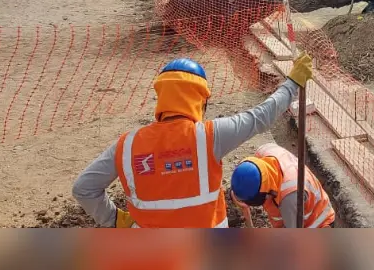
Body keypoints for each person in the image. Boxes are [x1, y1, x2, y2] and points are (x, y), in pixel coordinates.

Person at [72, 54, 315, 228]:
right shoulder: (210, 136)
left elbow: (83, 188)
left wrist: (114, 219)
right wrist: (292, 84)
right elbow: (261, 117)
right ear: (200, 100)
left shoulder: (126, 146)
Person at [230, 142, 336, 228]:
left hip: (317, 225)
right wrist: (245, 207)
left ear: (266, 194)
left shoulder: (289, 196)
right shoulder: (264, 152)